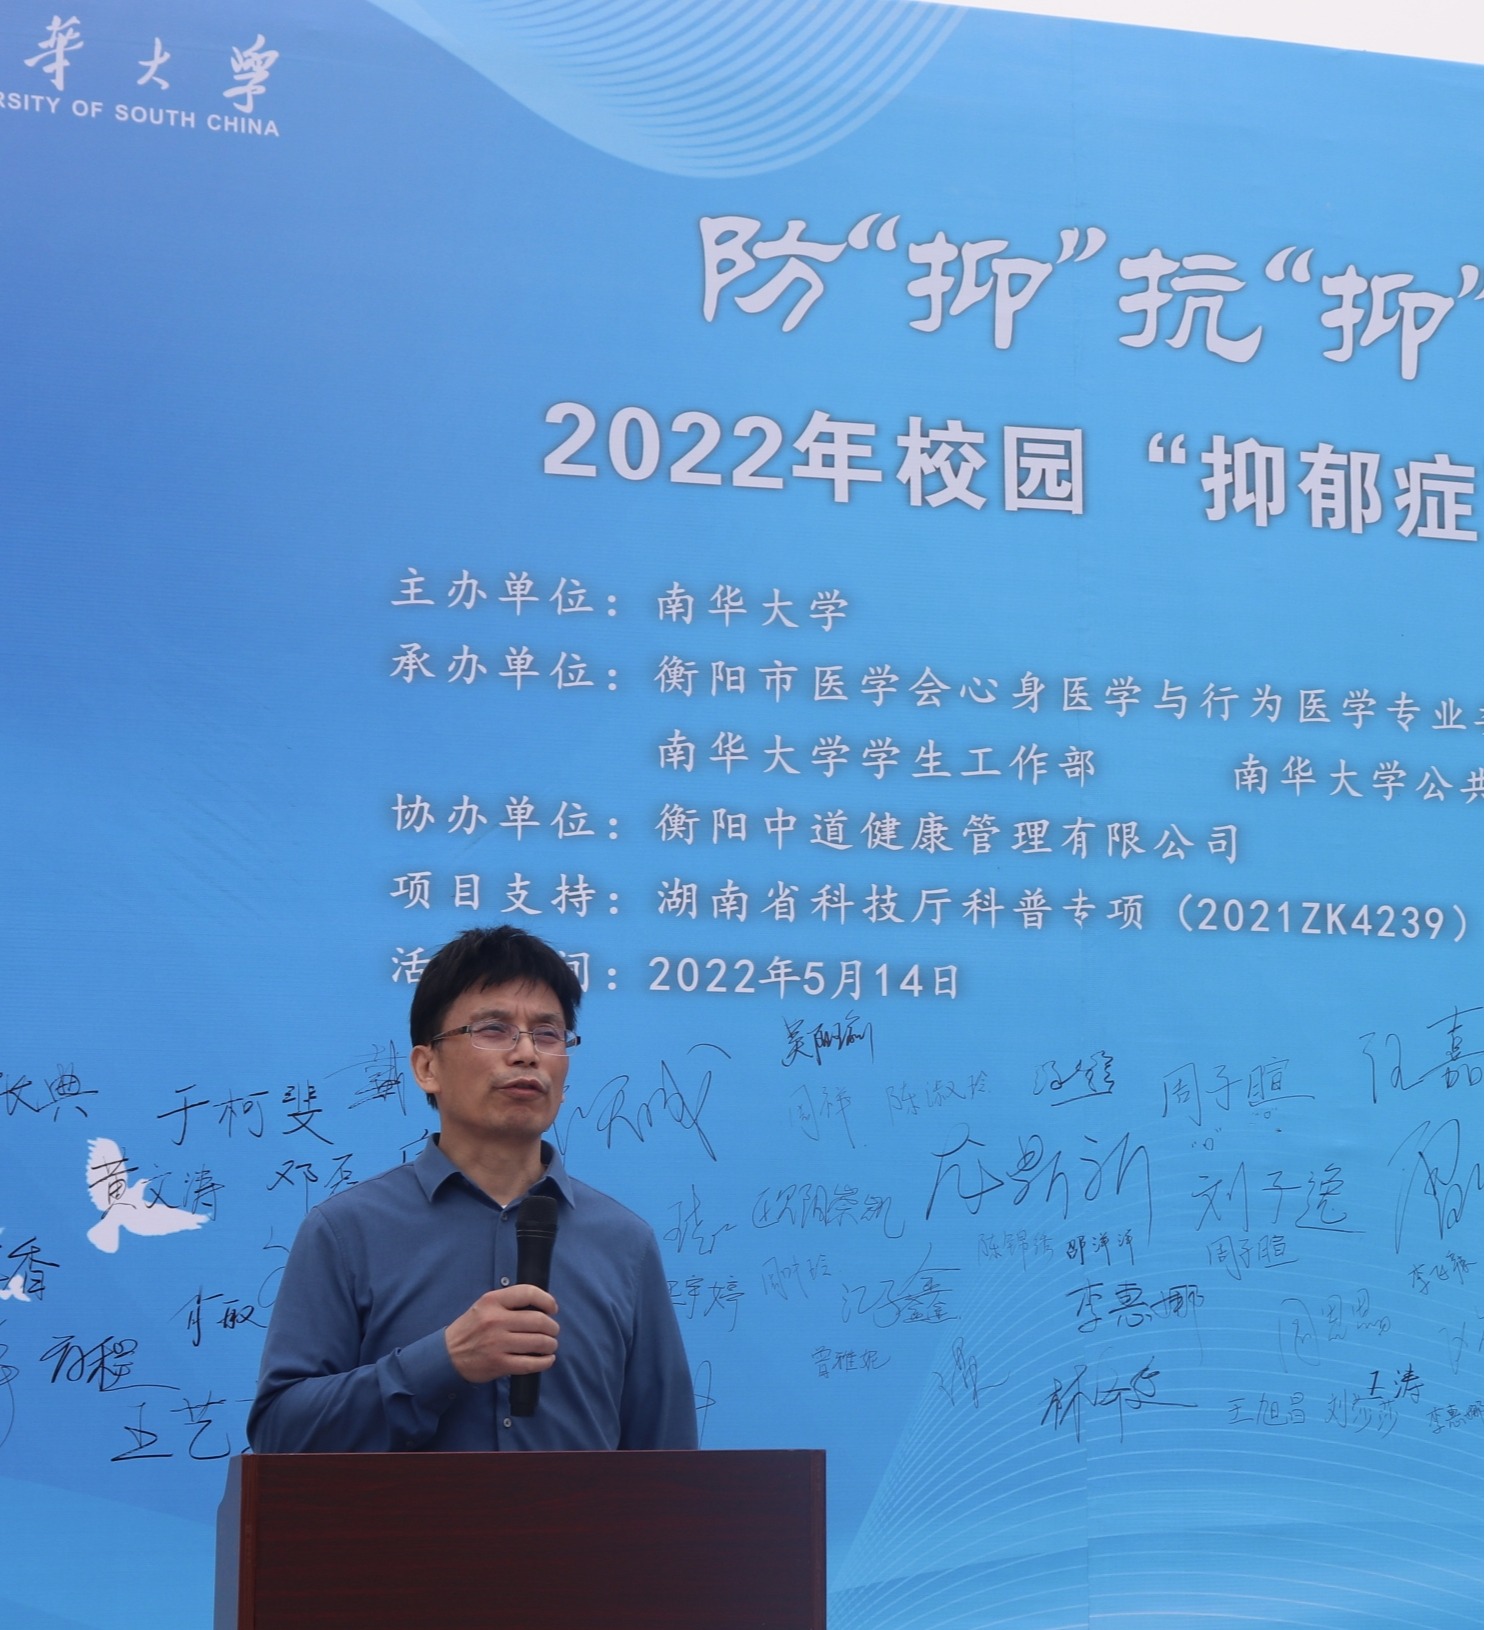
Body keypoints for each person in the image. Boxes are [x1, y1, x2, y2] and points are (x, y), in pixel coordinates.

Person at [247, 926, 697, 1452]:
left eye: (547, 1034)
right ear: (427, 1067)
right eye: (493, 1029)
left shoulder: (624, 1243)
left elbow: (668, 1460)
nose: (526, 1053)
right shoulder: (346, 1232)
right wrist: (444, 1361)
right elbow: (281, 1433)